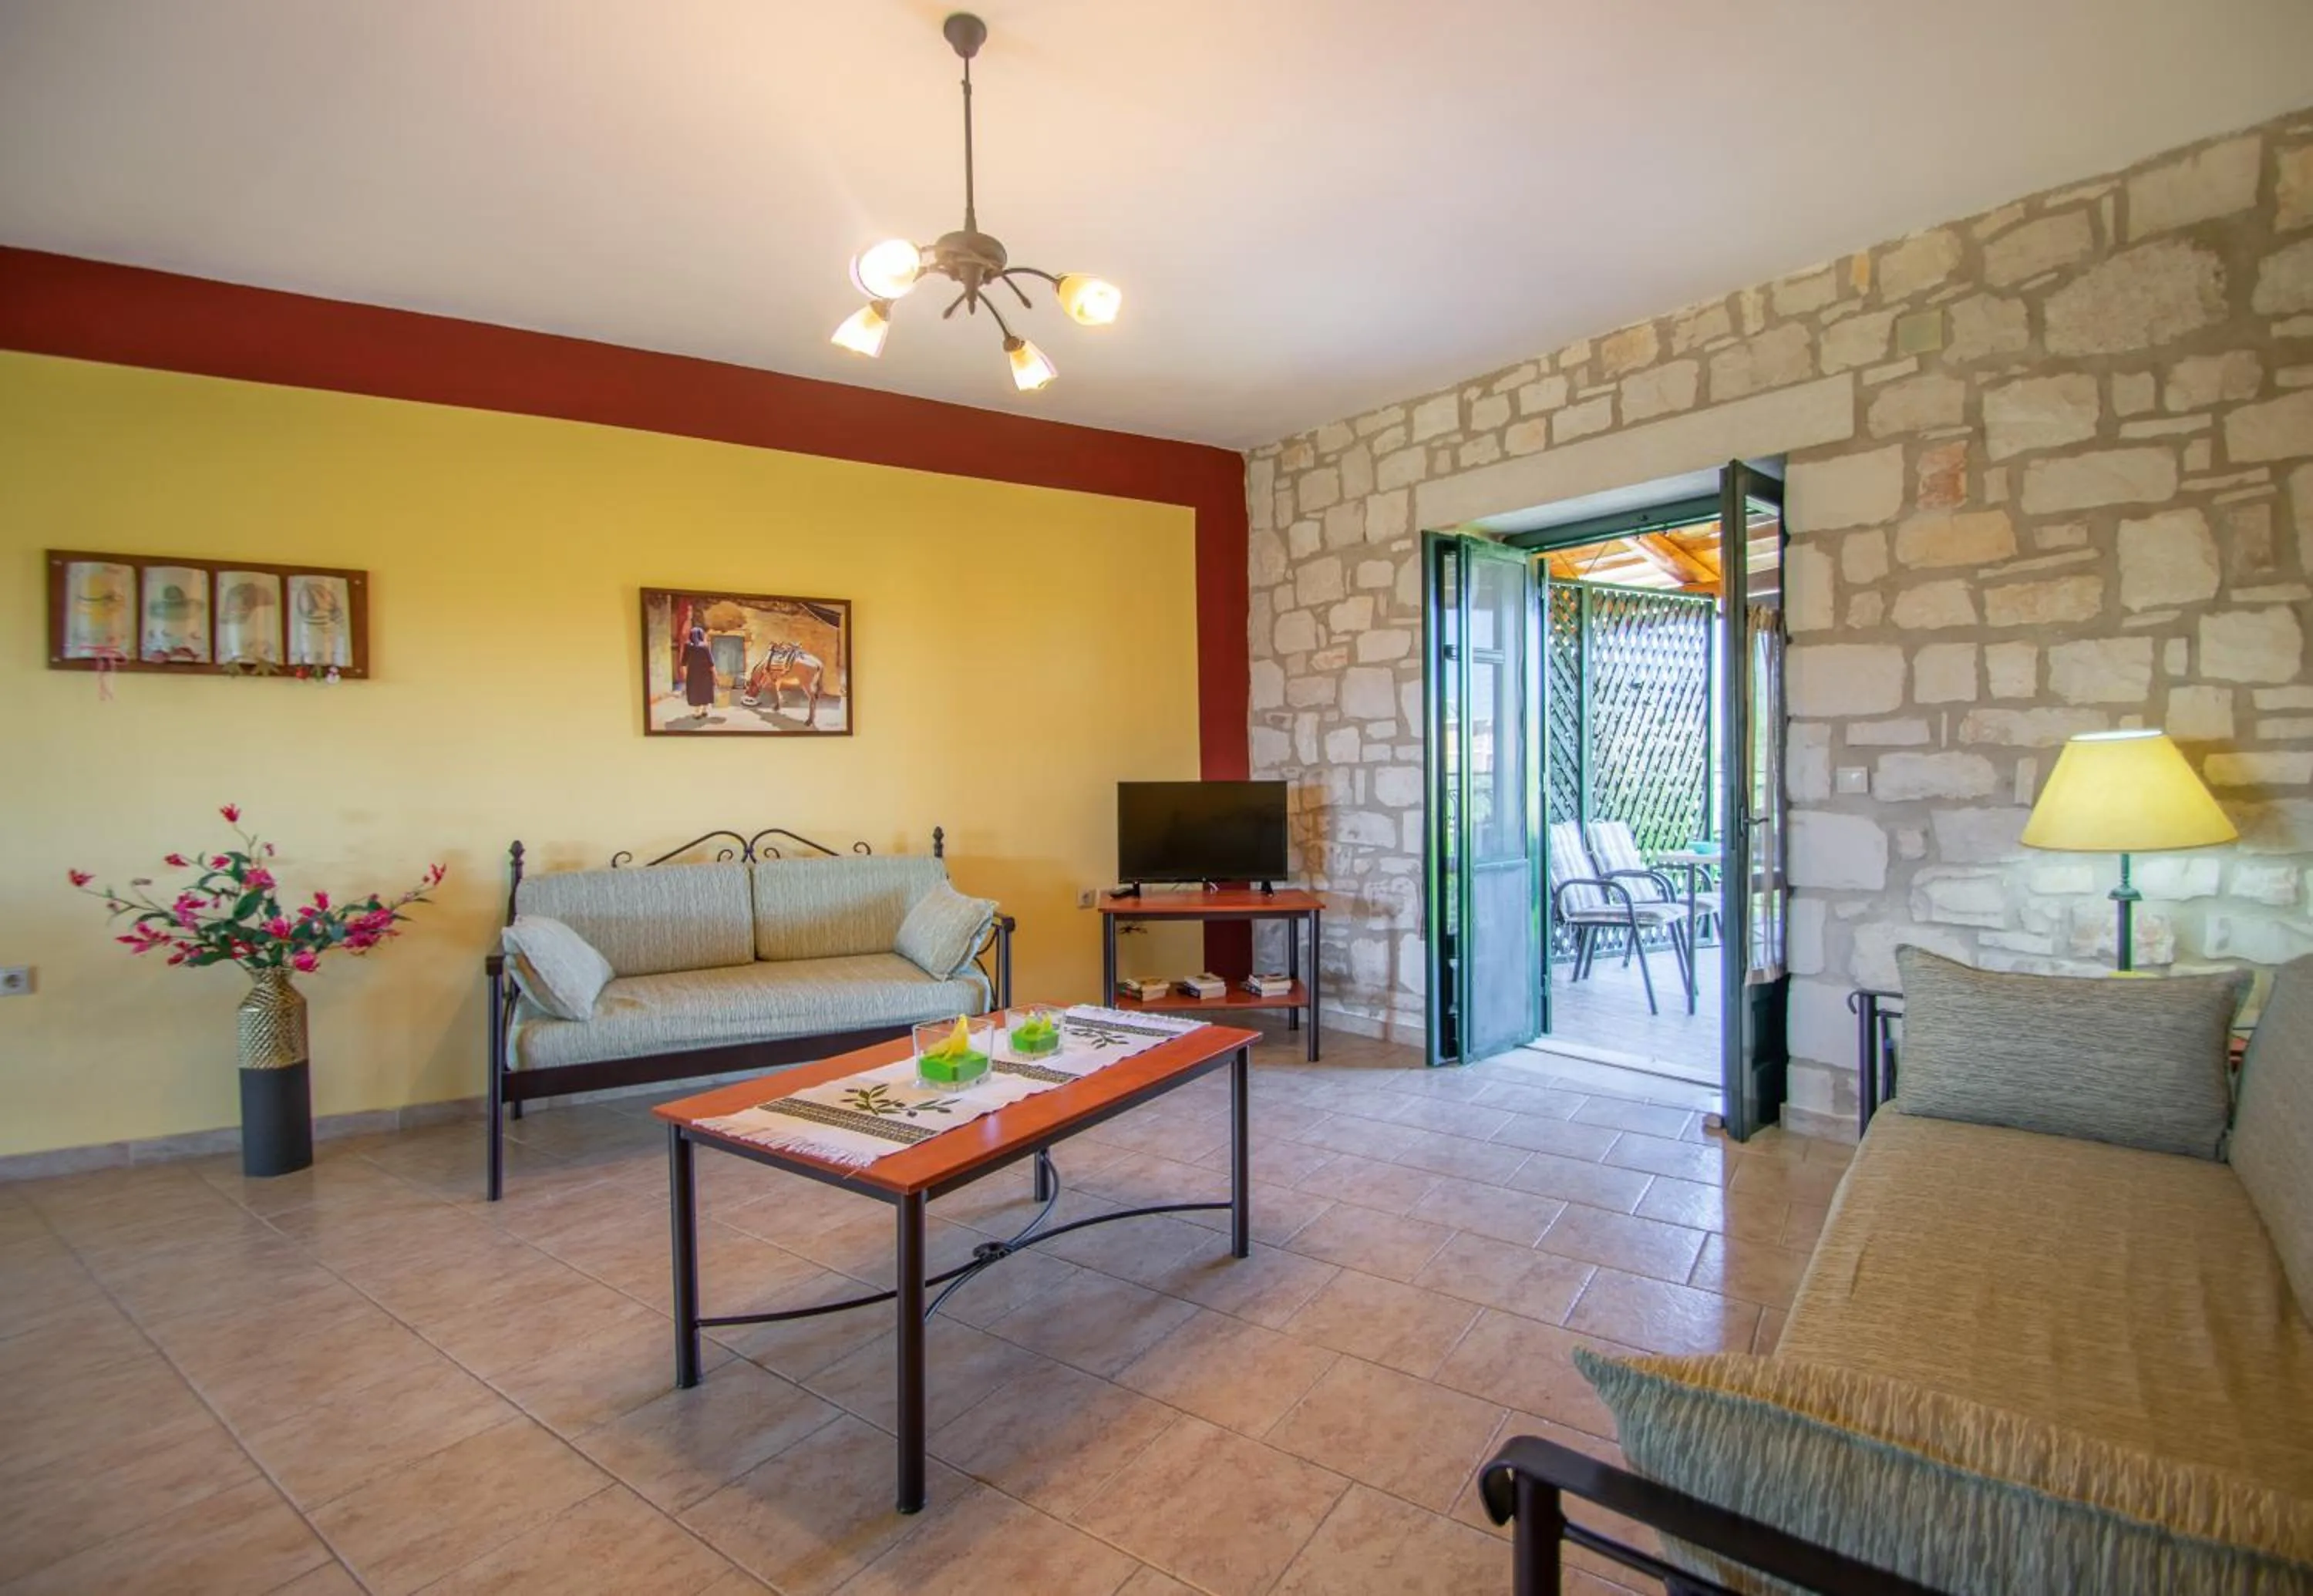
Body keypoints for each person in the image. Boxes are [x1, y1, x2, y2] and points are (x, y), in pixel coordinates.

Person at [680, 625, 716, 721]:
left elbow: (683, 662)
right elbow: (711, 663)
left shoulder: (687, 646)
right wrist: (716, 675)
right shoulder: (705, 647)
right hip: (705, 674)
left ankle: (697, 712)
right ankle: (704, 710)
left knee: (695, 691)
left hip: (693, 674)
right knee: (705, 691)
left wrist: (685, 675)